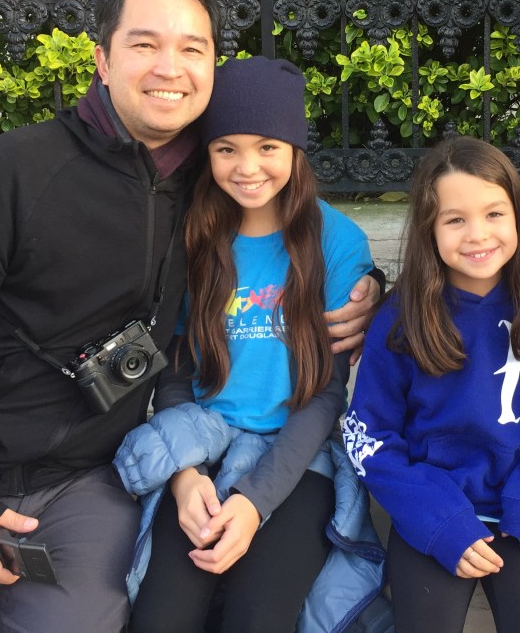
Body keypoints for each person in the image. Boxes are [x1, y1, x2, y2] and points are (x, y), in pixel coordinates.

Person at [0, 0, 379, 633]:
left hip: (88, 478)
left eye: (191, 48)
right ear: (102, 60)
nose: (168, 66)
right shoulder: (20, 168)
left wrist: (374, 288)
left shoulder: (213, 187)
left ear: (211, 70)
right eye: (144, 43)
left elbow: (296, 237)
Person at [116, 55, 379, 632]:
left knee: (259, 617)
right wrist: (184, 477)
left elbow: (325, 394)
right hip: (199, 447)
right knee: (161, 616)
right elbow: (176, 370)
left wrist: (254, 501)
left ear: (295, 150)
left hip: (298, 460)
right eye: (226, 148)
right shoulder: (193, 237)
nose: (248, 167)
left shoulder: (335, 240)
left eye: (268, 147)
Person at [343, 136, 520, 633]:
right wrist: (440, 521)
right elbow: (369, 436)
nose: (477, 234)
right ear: (429, 229)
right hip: (431, 513)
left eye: (494, 214)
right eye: (455, 220)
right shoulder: (400, 320)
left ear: (518, 218)